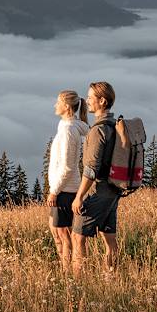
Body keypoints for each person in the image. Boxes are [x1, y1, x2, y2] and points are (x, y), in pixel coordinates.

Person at [71, 81, 121, 277]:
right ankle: (110, 277)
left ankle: (78, 282)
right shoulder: (114, 126)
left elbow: (91, 168)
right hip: (113, 189)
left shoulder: (98, 130)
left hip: (98, 190)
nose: (88, 101)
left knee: (77, 236)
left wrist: (79, 196)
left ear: (102, 101)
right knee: (110, 239)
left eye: (91, 97)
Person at [46, 90, 89, 272]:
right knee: (60, 233)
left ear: (66, 106)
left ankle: (68, 274)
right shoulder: (68, 127)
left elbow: (67, 166)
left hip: (64, 191)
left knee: (64, 235)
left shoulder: (68, 131)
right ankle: (68, 272)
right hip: (66, 188)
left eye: (58, 102)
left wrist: (54, 191)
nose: (55, 105)